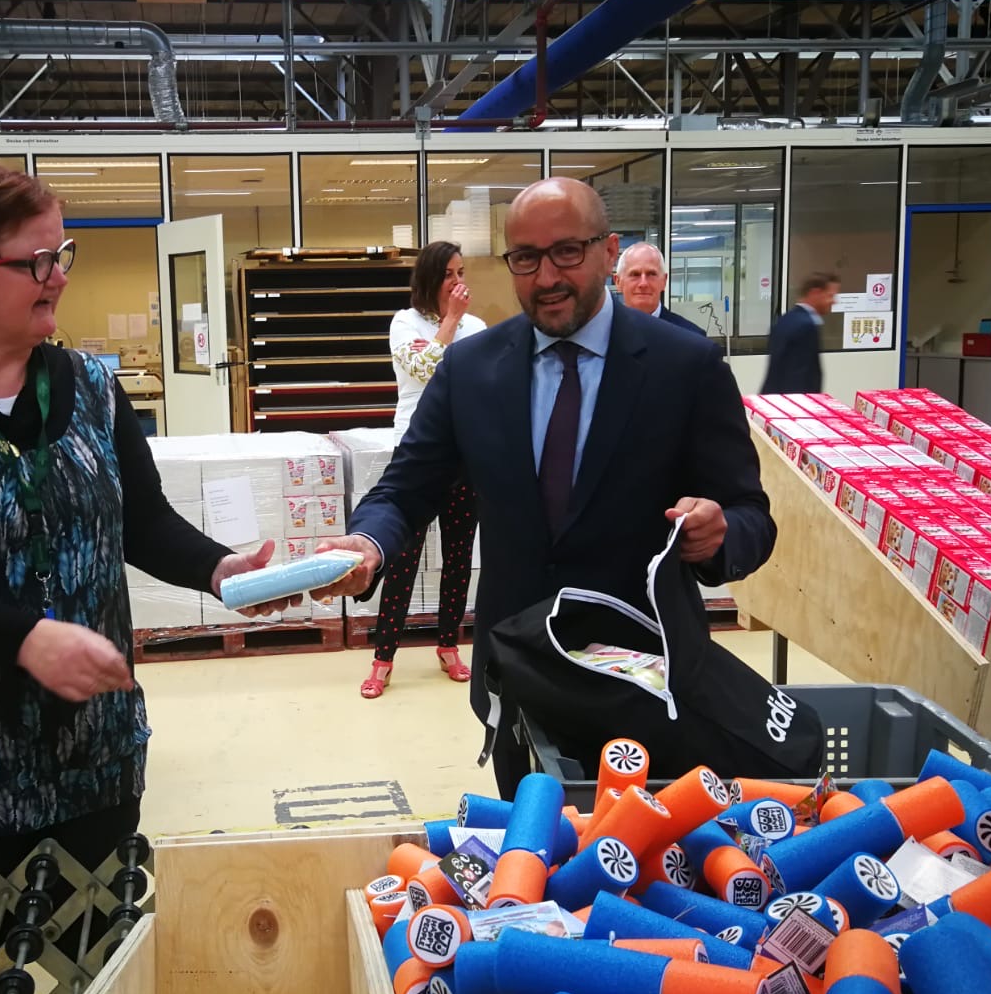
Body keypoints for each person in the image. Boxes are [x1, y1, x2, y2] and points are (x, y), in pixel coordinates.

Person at [0, 163, 290, 878]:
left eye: (62, 255)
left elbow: (141, 522)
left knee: (97, 968)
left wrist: (218, 567)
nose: (59, 276)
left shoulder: (89, 387)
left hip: (92, 759)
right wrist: (24, 638)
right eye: (36, 261)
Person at [315, 178, 776, 794]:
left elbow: (750, 514)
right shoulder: (472, 370)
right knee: (531, 867)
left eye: (568, 251)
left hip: (649, 680)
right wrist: (368, 544)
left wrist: (718, 535)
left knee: (640, 870)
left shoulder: (684, 366)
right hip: (521, 677)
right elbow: (405, 487)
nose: (546, 275)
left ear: (609, 252)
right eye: (525, 258)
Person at [362, 242, 485, 700]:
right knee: (402, 559)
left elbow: (479, 384)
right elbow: (421, 370)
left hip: (463, 454)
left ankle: (449, 645)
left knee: (458, 558)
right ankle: (383, 658)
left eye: (462, 271)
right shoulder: (403, 323)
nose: (459, 282)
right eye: (450, 274)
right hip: (415, 455)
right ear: (432, 279)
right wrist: (449, 322)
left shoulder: (478, 328)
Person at [762, 273, 839, 394]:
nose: (834, 301)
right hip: (793, 403)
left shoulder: (785, 319)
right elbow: (799, 377)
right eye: (830, 296)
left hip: (772, 398)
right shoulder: (807, 326)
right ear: (815, 293)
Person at [614, 242, 707, 338]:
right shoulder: (603, 333)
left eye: (651, 274)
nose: (643, 283)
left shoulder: (692, 338)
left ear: (664, 281)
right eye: (635, 274)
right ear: (618, 282)